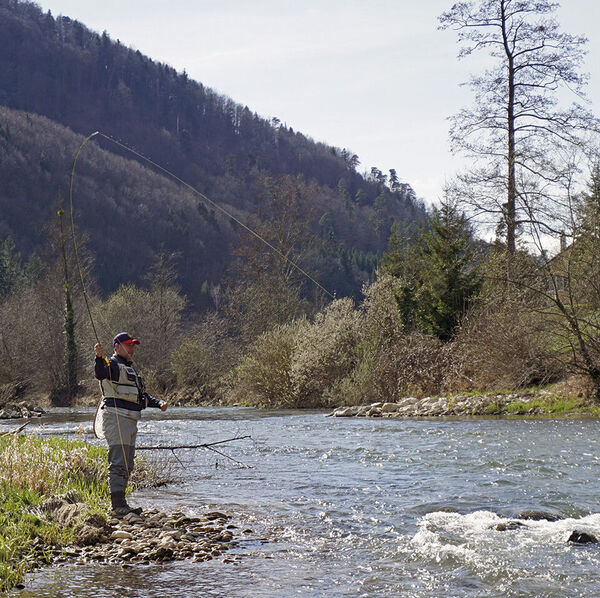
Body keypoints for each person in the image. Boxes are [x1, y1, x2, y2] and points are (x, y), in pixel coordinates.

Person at [94, 332, 167, 517]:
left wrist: (158, 403)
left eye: (133, 345)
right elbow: (100, 373)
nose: (132, 349)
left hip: (130, 420)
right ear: (117, 346)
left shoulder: (131, 370)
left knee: (127, 465)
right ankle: (118, 506)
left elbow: (141, 397)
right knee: (118, 463)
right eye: (128, 345)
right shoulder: (111, 365)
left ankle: (122, 504)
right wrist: (98, 357)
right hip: (117, 418)